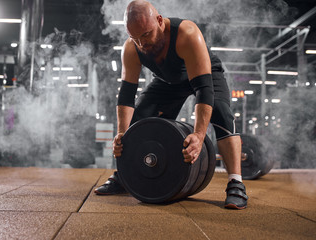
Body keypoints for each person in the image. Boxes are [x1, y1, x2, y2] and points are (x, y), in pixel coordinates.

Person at [94, 0, 248, 209]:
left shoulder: (187, 33)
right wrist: (122, 134)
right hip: (169, 81)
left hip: (206, 76)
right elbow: (127, 95)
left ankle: (236, 183)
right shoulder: (132, 47)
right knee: (138, 122)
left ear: (159, 21)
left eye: (146, 35)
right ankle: (124, 176)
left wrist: (199, 136)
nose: (142, 44)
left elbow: (204, 89)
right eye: (135, 38)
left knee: (221, 113)